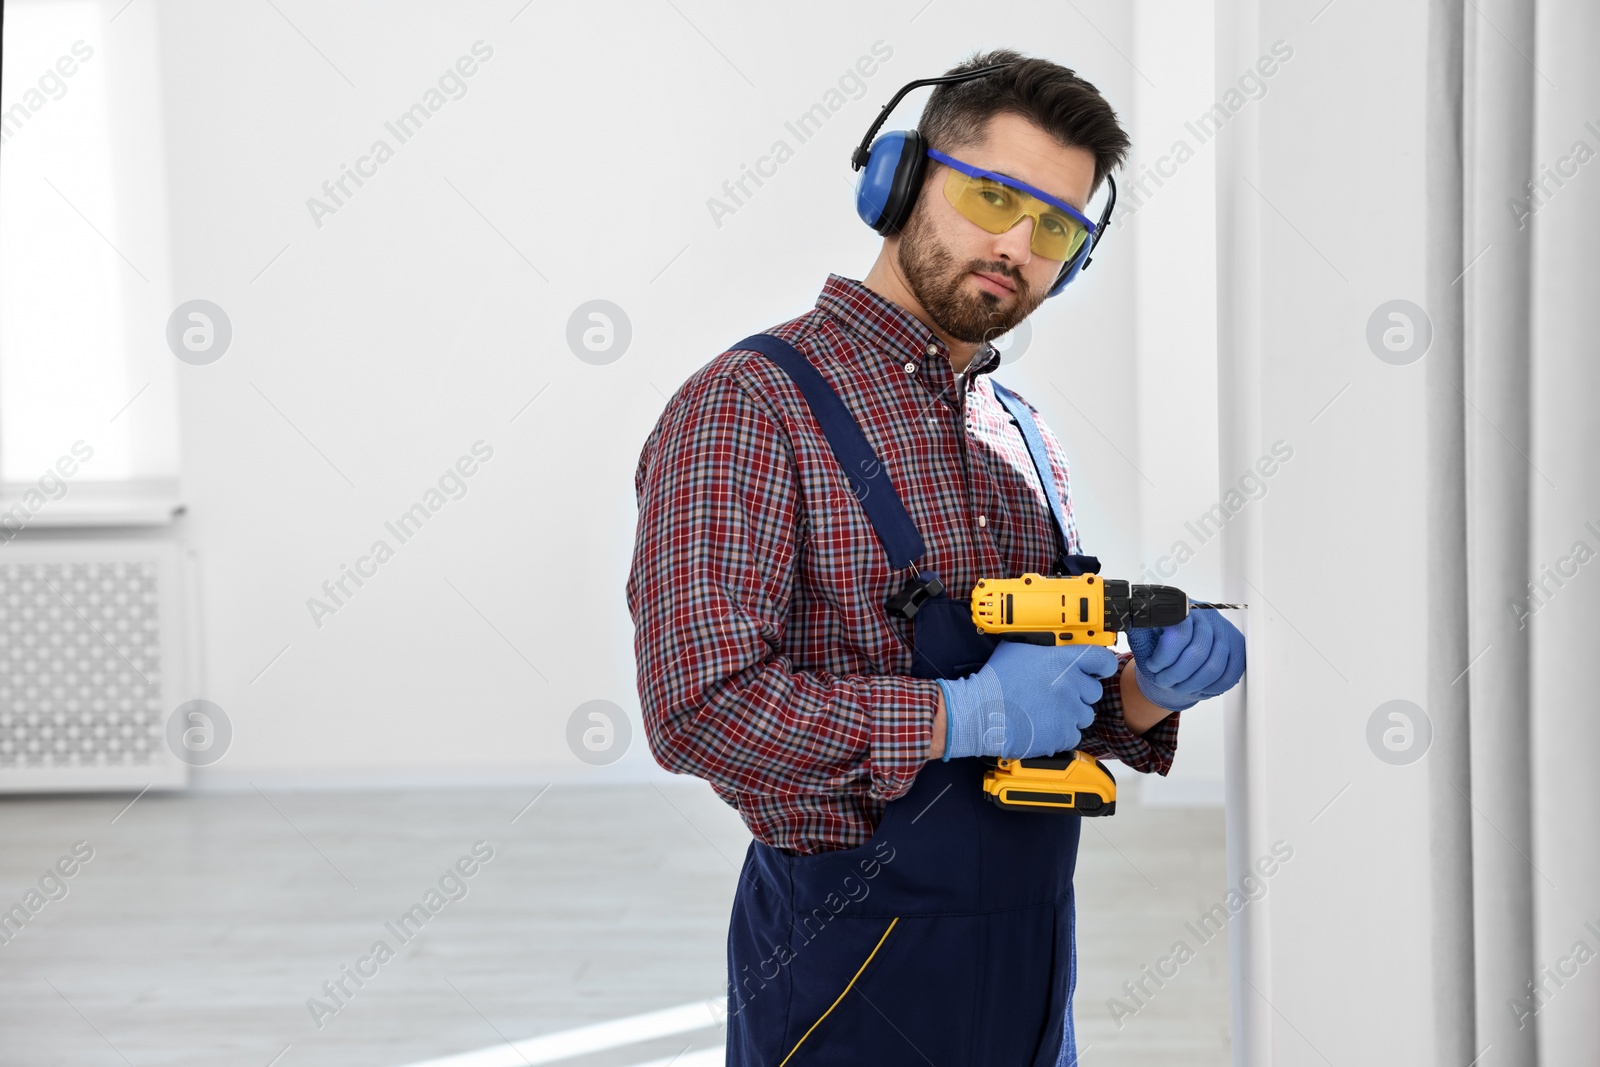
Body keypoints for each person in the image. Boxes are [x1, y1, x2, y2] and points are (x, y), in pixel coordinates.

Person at [626, 48, 1246, 1067]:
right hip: (851, 968)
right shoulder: (747, 404)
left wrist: (1139, 691)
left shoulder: (1019, 433)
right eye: (991, 196)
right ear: (900, 181)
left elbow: (1051, 707)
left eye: (1056, 227)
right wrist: (966, 713)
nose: (1016, 244)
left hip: (1035, 954)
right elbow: (700, 708)